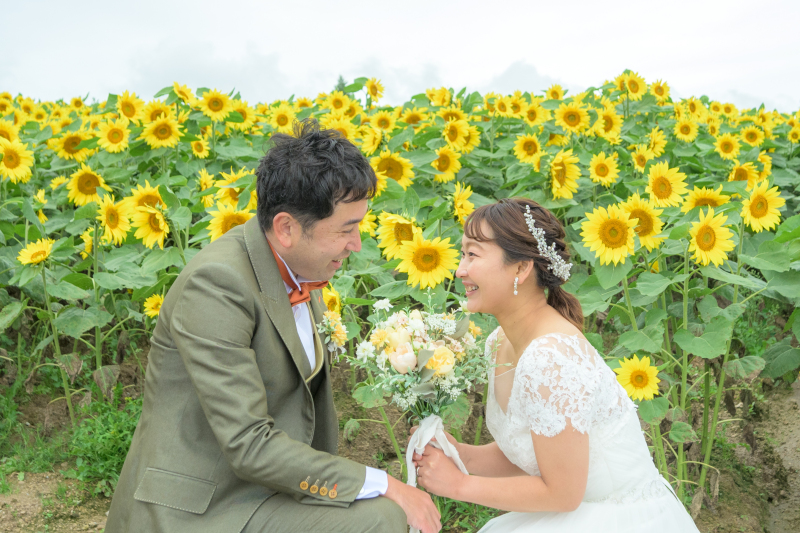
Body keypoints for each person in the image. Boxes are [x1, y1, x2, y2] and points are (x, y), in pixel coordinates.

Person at [106, 119, 441, 533]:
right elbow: (248, 444)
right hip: (205, 506)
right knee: (380, 518)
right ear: (286, 228)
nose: (356, 245)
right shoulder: (217, 285)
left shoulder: (304, 267)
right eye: (346, 230)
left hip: (264, 488)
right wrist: (382, 483)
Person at [411, 198, 700, 532]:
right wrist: (458, 454)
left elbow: (563, 493)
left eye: (472, 255)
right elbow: (533, 450)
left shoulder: (551, 358)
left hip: (616, 517)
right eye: (463, 255)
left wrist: (460, 485)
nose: (460, 270)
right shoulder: (500, 342)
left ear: (520, 268)